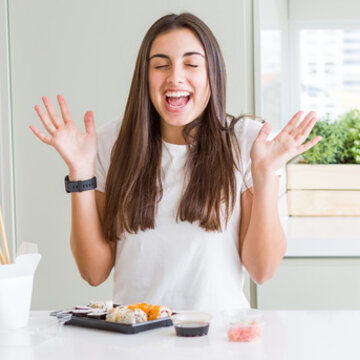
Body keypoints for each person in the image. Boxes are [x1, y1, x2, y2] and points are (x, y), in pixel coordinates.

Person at [28, 12, 321, 311]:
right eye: (160, 65)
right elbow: (93, 272)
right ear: (145, 76)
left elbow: (262, 270)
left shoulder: (246, 142)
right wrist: (80, 172)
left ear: (212, 74)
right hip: (135, 339)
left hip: (218, 339)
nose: (175, 77)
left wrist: (265, 174)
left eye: (191, 64)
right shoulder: (110, 144)